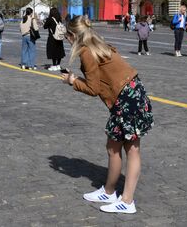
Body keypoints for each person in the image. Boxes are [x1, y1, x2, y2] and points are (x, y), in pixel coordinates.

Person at [61, 16, 153, 214]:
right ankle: (109, 191)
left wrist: (73, 80)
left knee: (128, 149)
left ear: (73, 36)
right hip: (132, 93)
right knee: (117, 146)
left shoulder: (86, 51)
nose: (67, 41)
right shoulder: (99, 44)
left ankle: (127, 201)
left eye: (67, 37)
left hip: (126, 98)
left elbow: (93, 88)